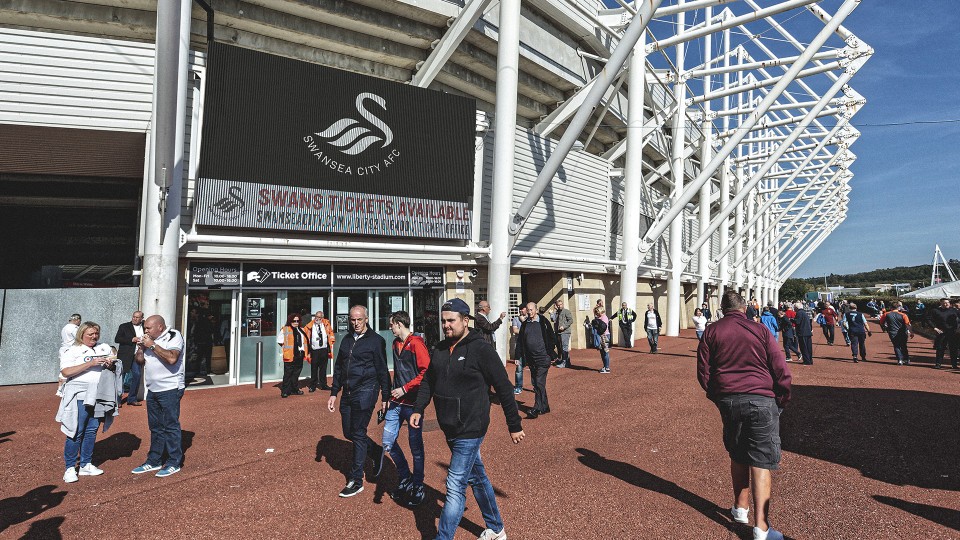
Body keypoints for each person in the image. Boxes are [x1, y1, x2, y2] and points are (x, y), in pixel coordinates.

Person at [410, 298, 525, 540]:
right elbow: (429, 380)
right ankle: (496, 528)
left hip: (472, 426)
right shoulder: (440, 349)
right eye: (443, 321)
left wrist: (514, 424)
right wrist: (418, 408)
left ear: (465, 320)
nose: (446, 325)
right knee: (477, 477)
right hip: (449, 425)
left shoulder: (481, 349)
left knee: (454, 486)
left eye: (451, 320)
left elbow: (504, 387)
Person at [697, 291, 792, 540]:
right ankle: (761, 528)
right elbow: (779, 365)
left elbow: (704, 371)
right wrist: (781, 397)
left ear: (721, 308)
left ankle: (740, 508)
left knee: (737, 452)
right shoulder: (759, 330)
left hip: (729, 398)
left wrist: (717, 396)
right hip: (761, 397)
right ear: (744, 308)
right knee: (761, 460)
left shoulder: (712, 331)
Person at [326, 305, 390, 498]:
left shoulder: (376, 341)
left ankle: (356, 480)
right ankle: (376, 452)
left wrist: (385, 396)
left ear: (366, 319)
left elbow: (382, 369)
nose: (355, 323)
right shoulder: (346, 340)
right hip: (348, 391)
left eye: (359, 319)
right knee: (348, 432)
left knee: (358, 432)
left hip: (367, 390)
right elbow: (338, 368)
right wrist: (333, 392)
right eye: (353, 320)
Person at [56, 321, 121, 483]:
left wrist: (111, 364)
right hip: (79, 394)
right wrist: (90, 363)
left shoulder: (104, 347)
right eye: (90, 334)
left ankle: (85, 464)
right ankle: (70, 467)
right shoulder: (72, 350)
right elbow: (66, 371)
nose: (94, 337)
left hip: (100, 393)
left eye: (96, 333)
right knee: (76, 430)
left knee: (92, 430)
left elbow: (115, 362)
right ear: (81, 335)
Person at [383, 310, 430, 506]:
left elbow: (426, 372)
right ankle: (405, 477)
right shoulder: (395, 343)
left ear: (400, 324)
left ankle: (418, 484)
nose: (390, 327)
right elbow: (399, 372)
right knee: (387, 442)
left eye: (392, 324)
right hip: (396, 402)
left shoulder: (417, 344)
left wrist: (405, 388)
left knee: (415, 447)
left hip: (412, 403)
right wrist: (390, 394)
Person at [131, 315, 186, 478]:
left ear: (160, 327)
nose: (145, 330)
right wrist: (141, 348)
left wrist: (152, 345)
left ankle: (173, 462)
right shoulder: (147, 340)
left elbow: (172, 358)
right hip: (152, 389)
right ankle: (154, 460)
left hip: (170, 388)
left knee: (170, 425)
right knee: (155, 427)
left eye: (148, 328)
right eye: (144, 327)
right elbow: (140, 361)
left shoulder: (173, 335)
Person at [517, 301, 559, 418]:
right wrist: (518, 356)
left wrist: (549, 353)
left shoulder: (543, 322)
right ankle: (545, 407)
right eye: (528, 310)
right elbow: (520, 341)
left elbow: (552, 338)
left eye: (531, 310)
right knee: (536, 383)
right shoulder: (525, 324)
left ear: (536, 310)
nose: (529, 312)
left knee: (539, 382)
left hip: (543, 358)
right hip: (531, 359)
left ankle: (536, 408)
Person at [115, 311, 145, 406]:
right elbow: (117, 339)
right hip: (125, 355)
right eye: (133, 317)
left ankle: (132, 398)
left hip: (138, 355)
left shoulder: (145, 327)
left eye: (137, 317)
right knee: (120, 377)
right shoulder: (124, 326)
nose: (134, 319)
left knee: (137, 375)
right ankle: (117, 400)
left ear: (141, 318)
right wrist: (131, 339)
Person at [277, 313, 309, 398]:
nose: (296, 322)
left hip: (300, 354)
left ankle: (294, 389)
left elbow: (305, 341)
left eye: (297, 321)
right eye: (294, 321)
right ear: (290, 321)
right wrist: (287, 350)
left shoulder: (301, 330)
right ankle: (285, 391)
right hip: (290, 355)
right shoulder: (285, 329)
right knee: (288, 374)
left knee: (296, 373)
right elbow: (280, 341)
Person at [304, 310, 335, 392]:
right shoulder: (310, 326)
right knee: (314, 368)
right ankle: (313, 385)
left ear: (322, 318)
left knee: (323, 368)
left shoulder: (326, 324)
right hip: (314, 350)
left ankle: (323, 384)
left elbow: (331, 333)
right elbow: (305, 334)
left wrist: (331, 342)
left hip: (324, 349)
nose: (318, 319)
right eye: (317, 317)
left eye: (320, 317)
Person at [927, 298, 958, 369]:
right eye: (944, 303)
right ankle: (938, 364)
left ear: (950, 303)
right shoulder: (935, 311)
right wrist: (934, 328)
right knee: (940, 348)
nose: (946, 304)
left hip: (952, 332)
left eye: (947, 302)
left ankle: (954, 364)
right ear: (940, 303)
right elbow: (928, 319)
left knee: (953, 349)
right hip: (941, 332)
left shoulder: (954, 311)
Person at [510, 304, 527, 394]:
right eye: (519, 310)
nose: (521, 311)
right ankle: (518, 386)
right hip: (520, 346)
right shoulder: (516, 319)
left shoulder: (529, 318)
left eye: (522, 309)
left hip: (529, 346)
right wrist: (526, 330)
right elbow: (515, 330)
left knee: (533, 367)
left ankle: (536, 386)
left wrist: (523, 322)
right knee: (519, 367)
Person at [553, 299, 574, 367]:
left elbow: (570, 320)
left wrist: (564, 326)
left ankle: (564, 362)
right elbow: (554, 320)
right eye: (558, 305)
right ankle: (567, 362)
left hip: (565, 332)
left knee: (564, 348)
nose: (559, 306)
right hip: (559, 332)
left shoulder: (566, 311)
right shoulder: (557, 312)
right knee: (561, 348)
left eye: (561, 304)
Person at [592, 307, 611, 373]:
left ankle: (607, 367)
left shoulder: (604, 317)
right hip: (600, 335)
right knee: (602, 352)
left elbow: (603, 327)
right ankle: (605, 366)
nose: (596, 313)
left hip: (604, 336)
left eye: (597, 311)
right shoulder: (598, 318)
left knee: (605, 352)